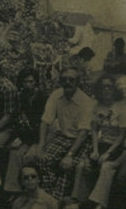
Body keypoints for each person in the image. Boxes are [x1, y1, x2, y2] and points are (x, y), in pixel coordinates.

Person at [38, 66, 94, 200]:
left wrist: (69, 155)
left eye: (71, 79)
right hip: (63, 137)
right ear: (60, 81)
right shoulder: (56, 95)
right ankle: (49, 196)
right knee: (42, 160)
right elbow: (45, 121)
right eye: (64, 79)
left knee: (67, 166)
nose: (67, 82)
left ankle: (57, 201)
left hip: (81, 140)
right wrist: (41, 147)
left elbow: (83, 133)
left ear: (78, 82)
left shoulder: (85, 101)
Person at [82, 74, 126, 209]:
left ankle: (98, 206)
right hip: (101, 144)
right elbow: (94, 130)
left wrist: (108, 153)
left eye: (109, 86)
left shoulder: (121, 107)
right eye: (103, 86)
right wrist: (95, 150)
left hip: (116, 147)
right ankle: (80, 201)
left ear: (114, 89)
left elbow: (122, 135)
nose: (106, 89)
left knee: (105, 166)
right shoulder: (97, 107)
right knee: (83, 166)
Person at [4, 67, 47, 193]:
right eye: (25, 82)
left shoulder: (43, 98)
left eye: (31, 81)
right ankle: (13, 191)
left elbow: (43, 126)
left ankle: (31, 191)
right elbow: (17, 122)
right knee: (14, 153)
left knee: (30, 156)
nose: (28, 85)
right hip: (26, 137)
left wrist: (24, 140)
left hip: (41, 138)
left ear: (36, 82)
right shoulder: (20, 97)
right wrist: (16, 138)